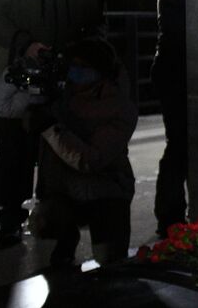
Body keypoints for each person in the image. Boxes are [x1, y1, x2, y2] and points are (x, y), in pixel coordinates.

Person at [0, 0, 104, 249]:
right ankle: (10, 219)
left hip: (64, 76)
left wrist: (85, 53)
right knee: (14, 150)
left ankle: (55, 216)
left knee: (58, 148)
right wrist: (24, 44)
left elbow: (93, 19)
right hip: (17, 75)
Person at [33, 39, 138, 270]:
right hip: (65, 193)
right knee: (44, 221)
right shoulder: (59, 95)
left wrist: (52, 128)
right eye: (73, 66)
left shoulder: (120, 107)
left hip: (106, 193)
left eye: (84, 67)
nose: (76, 72)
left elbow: (89, 160)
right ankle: (66, 243)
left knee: (112, 264)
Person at [151, 0, 198, 236]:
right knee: (180, 145)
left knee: (184, 145)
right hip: (176, 70)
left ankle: (176, 215)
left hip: (182, 68)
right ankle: (170, 218)